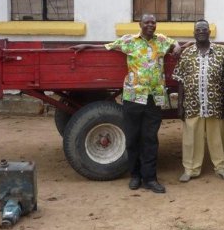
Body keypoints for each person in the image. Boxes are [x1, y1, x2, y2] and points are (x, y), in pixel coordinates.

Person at [73, 14, 181, 193]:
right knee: (132, 138)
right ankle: (135, 176)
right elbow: (108, 46)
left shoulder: (161, 40)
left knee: (150, 139)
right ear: (140, 24)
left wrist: (176, 46)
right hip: (133, 96)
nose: (150, 25)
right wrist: (86, 45)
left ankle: (150, 178)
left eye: (153, 22)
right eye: (146, 22)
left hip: (154, 97)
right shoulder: (129, 41)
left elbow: (175, 43)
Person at [172, 20, 224, 183]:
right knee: (191, 138)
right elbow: (180, 80)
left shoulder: (221, 52)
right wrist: (180, 105)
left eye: (204, 29)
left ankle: (222, 168)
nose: (201, 32)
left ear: (209, 32)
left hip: (215, 104)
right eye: (198, 29)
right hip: (192, 104)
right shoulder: (186, 53)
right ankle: (191, 169)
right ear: (194, 33)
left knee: (219, 138)